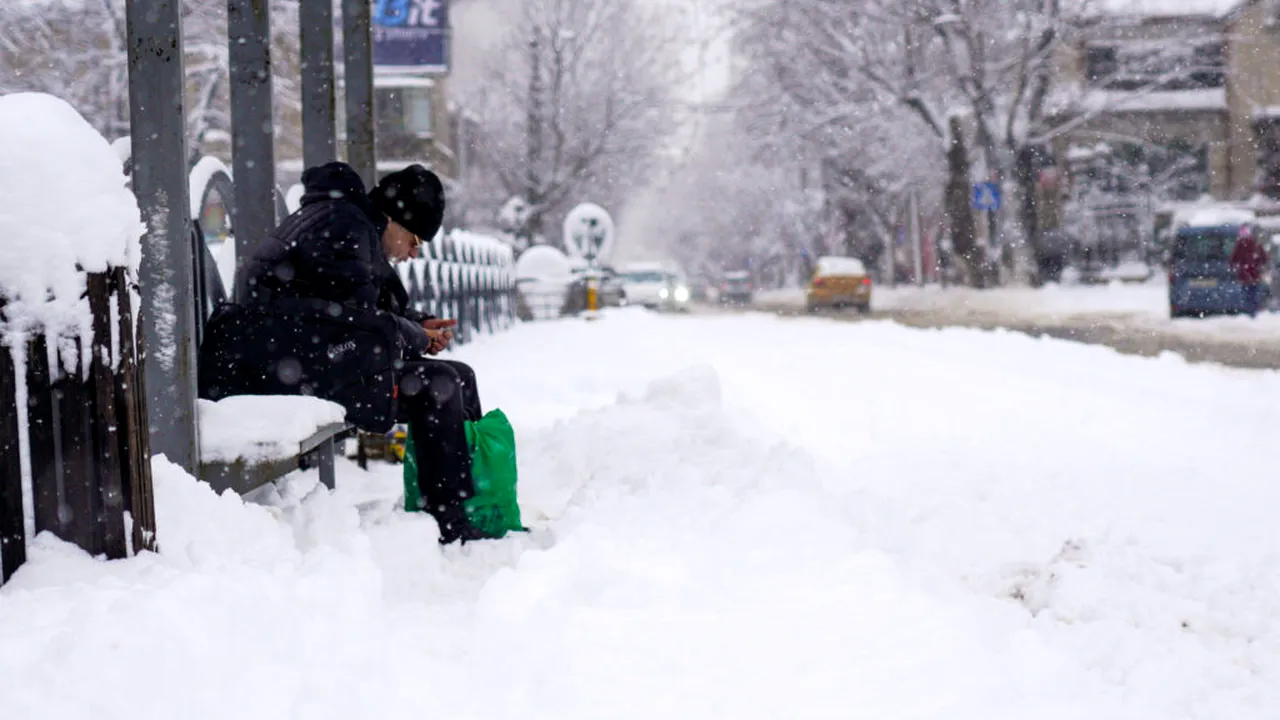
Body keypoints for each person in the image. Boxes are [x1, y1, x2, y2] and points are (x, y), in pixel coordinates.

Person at [233, 161, 487, 545]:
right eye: (415, 240)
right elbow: (358, 321)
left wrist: (420, 325)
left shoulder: (350, 224)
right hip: (281, 367)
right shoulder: (343, 227)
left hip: (303, 357)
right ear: (393, 219)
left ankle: (470, 505)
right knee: (440, 385)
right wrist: (414, 335)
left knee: (459, 376)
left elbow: (358, 310)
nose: (412, 254)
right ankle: (451, 523)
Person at [1230, 225, 1269, 318]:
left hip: (1245, 275)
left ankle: (1248, 313)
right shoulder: (1255, 244)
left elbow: (1233, 259)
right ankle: (1252, 313)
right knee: (1253, 295)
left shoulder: (1240, 245)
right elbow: (1265, 257)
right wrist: (1259, 265)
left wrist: (1234, 266)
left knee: (1246, 295)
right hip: (1254, 275)